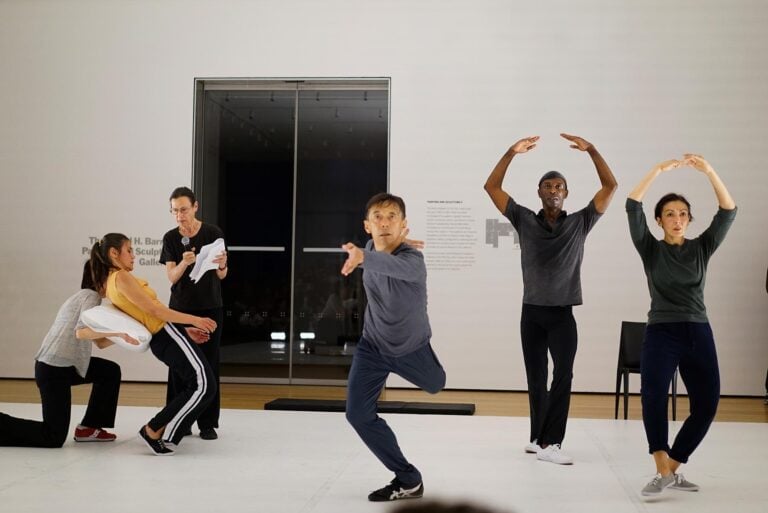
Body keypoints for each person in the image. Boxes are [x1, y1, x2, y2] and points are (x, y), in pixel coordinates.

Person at [484, 133, 617, 465]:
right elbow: (492, 187)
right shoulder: (524, 219)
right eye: (548, 186)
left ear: (566, 193)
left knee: (563, 376)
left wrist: (592, 150)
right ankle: (537, 438)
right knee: (535, 378)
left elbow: (610, 186)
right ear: (539, 192)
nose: (554, 190)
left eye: (559, 187)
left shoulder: (580, 222)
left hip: (561, 315)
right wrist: (510, 152)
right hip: (531, 313)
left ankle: (552, 442)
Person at [626, 154, 736, 496]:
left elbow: (728, 211)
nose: (677, 219)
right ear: (659, 220)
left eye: (683, 214)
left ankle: (670, 470)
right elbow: (632, 205)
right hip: (662, 331)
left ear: (689, 219)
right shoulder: (650, 248)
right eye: (670, 214)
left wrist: (709, 171)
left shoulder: (702, 247)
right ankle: (661, 466)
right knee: (653, 396)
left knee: (707, 404)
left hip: (698, 331)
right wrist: (657, 170)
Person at [341, 192, 445, 502]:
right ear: (367, 225)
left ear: (404, 225)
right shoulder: (370, 248)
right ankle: (408, 479)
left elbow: (394, 266)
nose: (384, 223)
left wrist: (366, 256)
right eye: (378, 217)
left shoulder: (414, 260)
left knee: (436, 384)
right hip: (373, 347)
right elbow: (376, 255)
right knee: (357, 415)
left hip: (411, 347)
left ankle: (431, 371)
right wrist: (368, 253)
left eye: (392, 218)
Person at [90, 233, 217, 455]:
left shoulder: (110, 283)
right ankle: (155, 430)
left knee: (200, 384)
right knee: (203, 384)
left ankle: (159, 430)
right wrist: (195, 320)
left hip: (166, 335)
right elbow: (155, 311)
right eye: (129, 250)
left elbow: (145, 316)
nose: (133, 255)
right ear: (114, 253)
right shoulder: (120, 277)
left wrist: (184, 331)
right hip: (166, 334)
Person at [0, 261, 132, 447]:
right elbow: (81, 331)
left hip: (65, 366)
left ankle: (89, 427)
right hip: (54, 370)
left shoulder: (82, 296)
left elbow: (100, 342)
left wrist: (126, 335)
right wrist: (117, 332)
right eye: (113, 277)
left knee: (109, 371)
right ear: (101, 279)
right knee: (53, 436)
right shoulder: (91, 296)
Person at [160, 186, 227, 440]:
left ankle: (207, 423)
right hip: (180, 309)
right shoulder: (170, 238)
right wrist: (184, 263)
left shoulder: (213, 233)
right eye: (175, 211)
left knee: (209, 364)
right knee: (180, 364)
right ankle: (180, 420)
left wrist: (222, 264)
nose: (180, 216)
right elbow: (171, 277)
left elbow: (222, 274)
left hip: (210, 307)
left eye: (184, 210)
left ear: (195, 207)